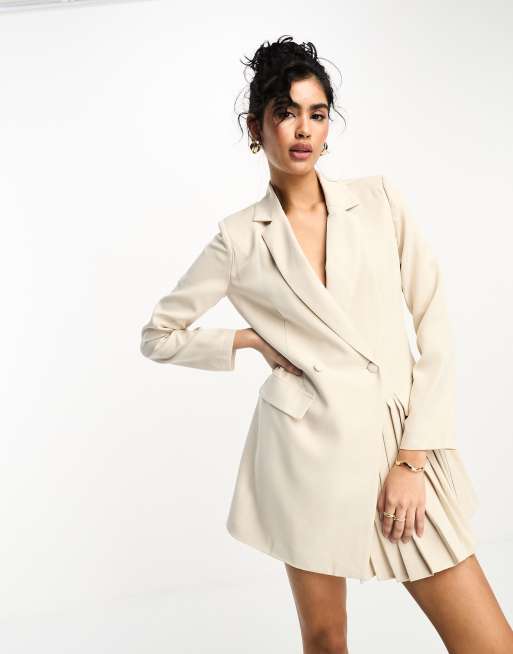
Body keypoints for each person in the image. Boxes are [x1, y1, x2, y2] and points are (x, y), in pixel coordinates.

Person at [140, 35, 513, 654]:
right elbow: (158, 335)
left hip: (401, 445)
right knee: (325, 638)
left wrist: (412, 460)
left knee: (488, 643)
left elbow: (434, 324)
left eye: (316, 114)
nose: (303, 130)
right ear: (256, 127)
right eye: (286, 113)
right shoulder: (239, 238)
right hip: (309, 457)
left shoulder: (378, 200)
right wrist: (249, 339)